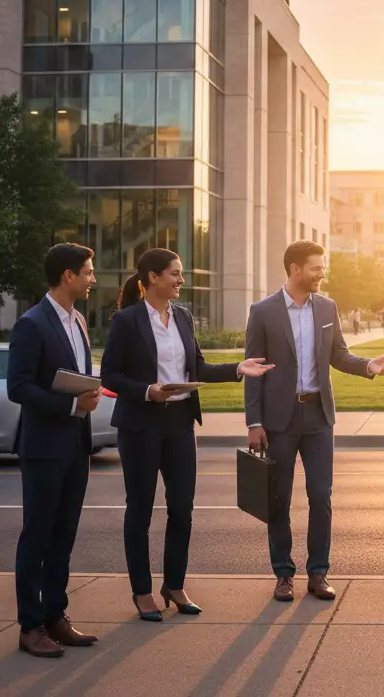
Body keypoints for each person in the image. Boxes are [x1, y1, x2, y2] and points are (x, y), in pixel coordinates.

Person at [101, 248, 274, 621]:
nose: (181, 280)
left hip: (179, 422)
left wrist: (238, 368)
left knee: (182, 508)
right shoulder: (127, 321)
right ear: (151, 278)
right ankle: (143, 591)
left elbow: (197, 366)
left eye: (180, 274)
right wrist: (148, 390)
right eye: (175, 274)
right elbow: (110, 375)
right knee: (141, 510)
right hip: (141, 425)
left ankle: (174, 584)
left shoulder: (182, 317)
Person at [245, 240, 384, 602]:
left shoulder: (327, 307)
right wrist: (254, 422)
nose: (322, 274)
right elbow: (254, 368)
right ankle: (283, 574)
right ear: (295, 268)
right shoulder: (263, 311)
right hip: (278, 419)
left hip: (318, 416)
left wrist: (367, 366)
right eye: (316, 267)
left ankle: (318, 573)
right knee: (278, 499)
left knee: (321, 495)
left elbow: (340, 356)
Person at [7, 243, 101, 658]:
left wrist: (87, 393)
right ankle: (31, 626)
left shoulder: (78, 320)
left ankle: (55, 616)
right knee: (38, 538)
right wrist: (70, 404)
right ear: (68, 275)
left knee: (63, 537)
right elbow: (18, 386)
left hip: (76, 445)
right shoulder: (32, 323)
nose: (93, 279)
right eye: (88, 271)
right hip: (44, 447)